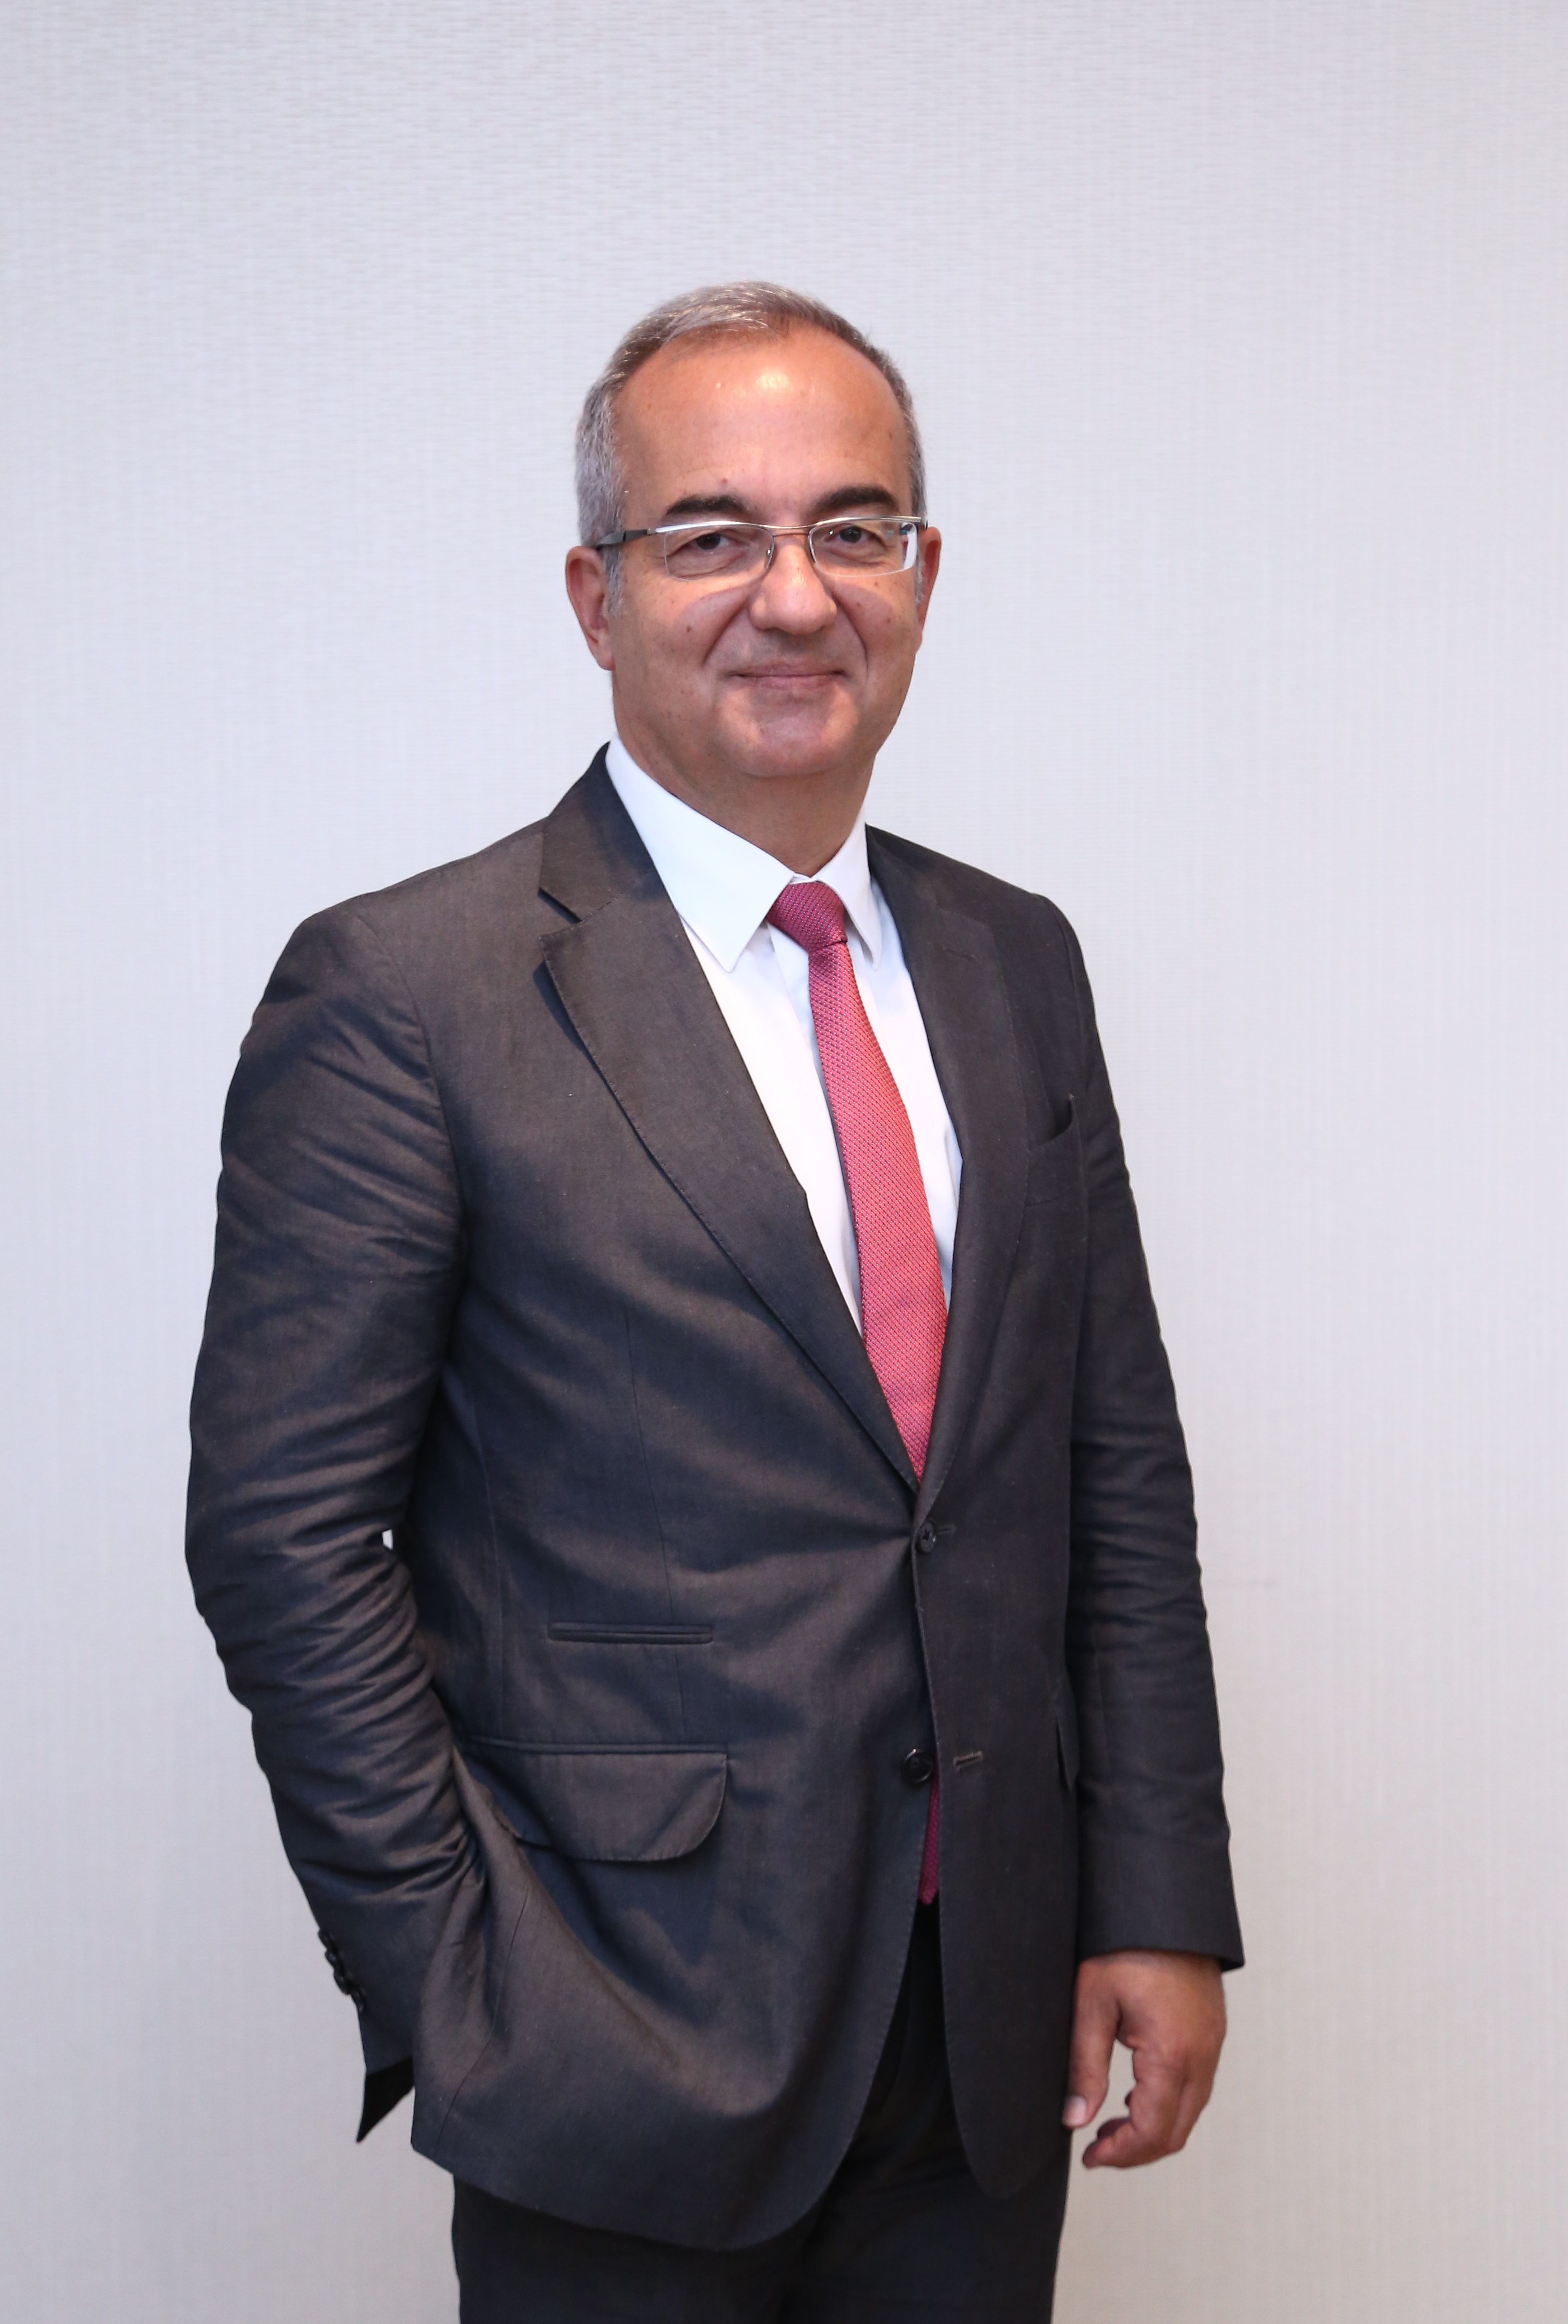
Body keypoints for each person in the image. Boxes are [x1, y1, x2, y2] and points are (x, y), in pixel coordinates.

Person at [186, 282, 1242, 2322]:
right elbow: (283, 1536)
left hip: (991, 2024)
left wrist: (1157, 1890)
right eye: (711, 536)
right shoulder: (410, 992)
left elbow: (1113, 1466)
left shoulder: (1019, 962)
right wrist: (461, 1983)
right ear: (597, 597)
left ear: (923, 575)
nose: (796, 593)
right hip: (617, 2044)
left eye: (854, 528)